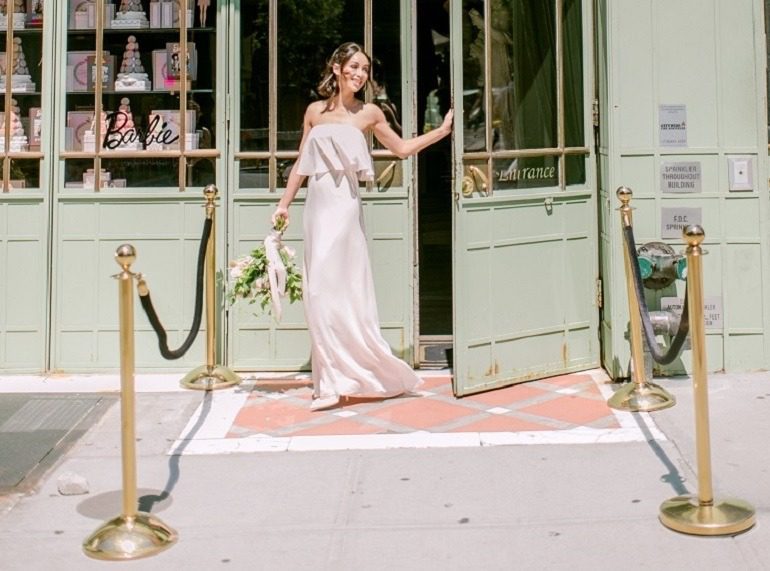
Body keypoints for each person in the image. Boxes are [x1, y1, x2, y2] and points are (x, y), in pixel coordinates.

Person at [271, 42, 453, 411]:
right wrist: (284, 205)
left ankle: (357, 376)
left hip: (345, 212)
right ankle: (329, 381)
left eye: (365, 69)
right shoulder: (314, 112)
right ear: (337, 68)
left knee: (345, 293)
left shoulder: (370, 113)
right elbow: (300, 165)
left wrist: (442, 131)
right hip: (317, 210)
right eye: (353, 66)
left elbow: (401, 149)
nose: (359, 74)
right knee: (318, 294)